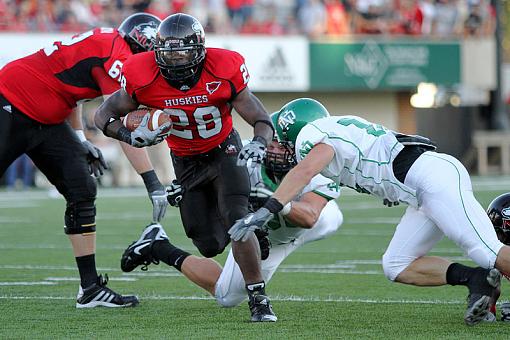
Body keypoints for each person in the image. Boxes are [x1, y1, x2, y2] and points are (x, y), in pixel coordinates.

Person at [229, 97, 509, 326]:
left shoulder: (312, 135)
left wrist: (269, 207)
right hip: (418, 188)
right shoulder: (337, 128)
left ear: (295, 129)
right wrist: (387, 188)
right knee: (396, 264)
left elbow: (306, 169)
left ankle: (486, 273)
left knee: (486, 251)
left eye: (279, 140)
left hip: (431, 180)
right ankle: (479, 280)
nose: (276, 148)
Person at [94, 13, 276, 321]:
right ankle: (245, 226)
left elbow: (261, 118)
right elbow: (103, 116)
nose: (177, 60)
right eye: (169, 52)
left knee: (236, 219)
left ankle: (259, 299)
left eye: (183, 51)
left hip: (224, 151)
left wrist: (259, 143)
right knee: (209, 245)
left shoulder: (224, 66)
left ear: (200, 49)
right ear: (157, 51)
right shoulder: (141, 73)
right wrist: (127, 134)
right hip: (186, 162)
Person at [0, 12, 162, 308]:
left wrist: (81, 140)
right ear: (143, 44)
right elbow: (120, 123)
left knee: (82, 189)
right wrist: (153, 182)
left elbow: (73, 92)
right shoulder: (119, 57)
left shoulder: (109, 44)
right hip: (11, 100)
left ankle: (90, 288)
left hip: (47, 118)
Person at [118, 125, 343, 308]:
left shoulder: (321, 164)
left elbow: (310, 216)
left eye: (283, 146)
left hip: (305, 223)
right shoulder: (245, 153)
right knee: (227, 297)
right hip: (268, 238)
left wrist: (273, 202)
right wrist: (188, 189)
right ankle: (158, 246)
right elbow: (211, 184)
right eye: (272, 141)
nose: (273, 148)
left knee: (331, 219)